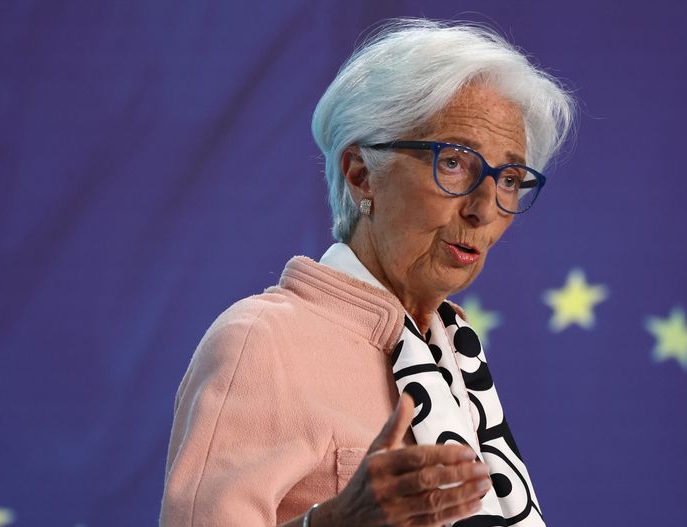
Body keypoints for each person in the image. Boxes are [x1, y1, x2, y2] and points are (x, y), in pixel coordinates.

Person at [160, 18, 574, 527]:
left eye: (508, 178)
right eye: (454, 163)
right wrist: (334, 522)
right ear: (361, 174)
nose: (484, 208)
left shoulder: (453, 352)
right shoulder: (263, 341)